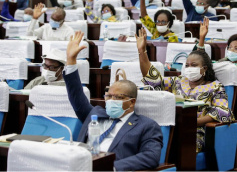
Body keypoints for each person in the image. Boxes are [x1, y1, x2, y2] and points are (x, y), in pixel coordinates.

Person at [63, 31, 163, 171]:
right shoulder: (96, 113)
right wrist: (70, 61)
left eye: (118, 97)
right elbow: (76, 95)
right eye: (108, 96)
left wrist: (110, 168)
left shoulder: (146, 125)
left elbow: (151, 157)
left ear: (132, 102)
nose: (111, 100)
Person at [136, 26, 234, 152]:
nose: (189, 68)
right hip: (171, 126)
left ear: (204, 69)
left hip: (195, 131)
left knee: (175, 147)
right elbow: (153, 79)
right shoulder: (178, 81)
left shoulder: (215, 87)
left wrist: (194, 122)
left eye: (194, 65)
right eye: (187, 65)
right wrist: (142, 51)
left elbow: (223, 111)